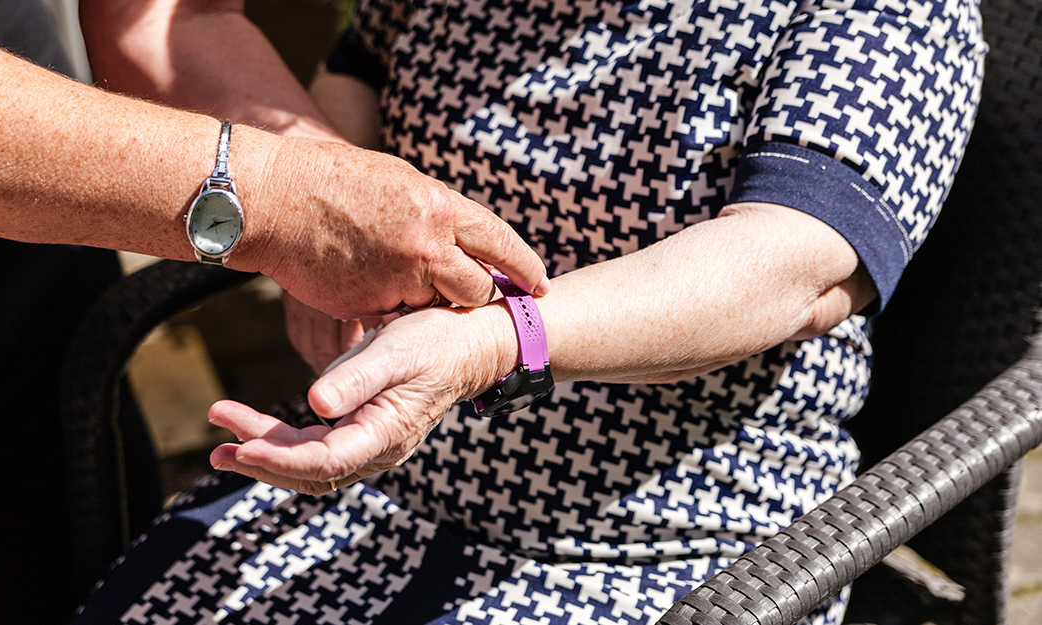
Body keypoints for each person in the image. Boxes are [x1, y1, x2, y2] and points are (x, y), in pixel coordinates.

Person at [72, 0, 985, 623]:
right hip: (386, 488)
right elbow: (358, 75)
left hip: (678, 533)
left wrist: (500, 341)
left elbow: (789, 268)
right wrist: (322, 221)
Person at [0, 3, 548, 624]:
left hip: (16, 198)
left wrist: (336, 194)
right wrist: (284, 201)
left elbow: (164, 19)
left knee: (48, 558)